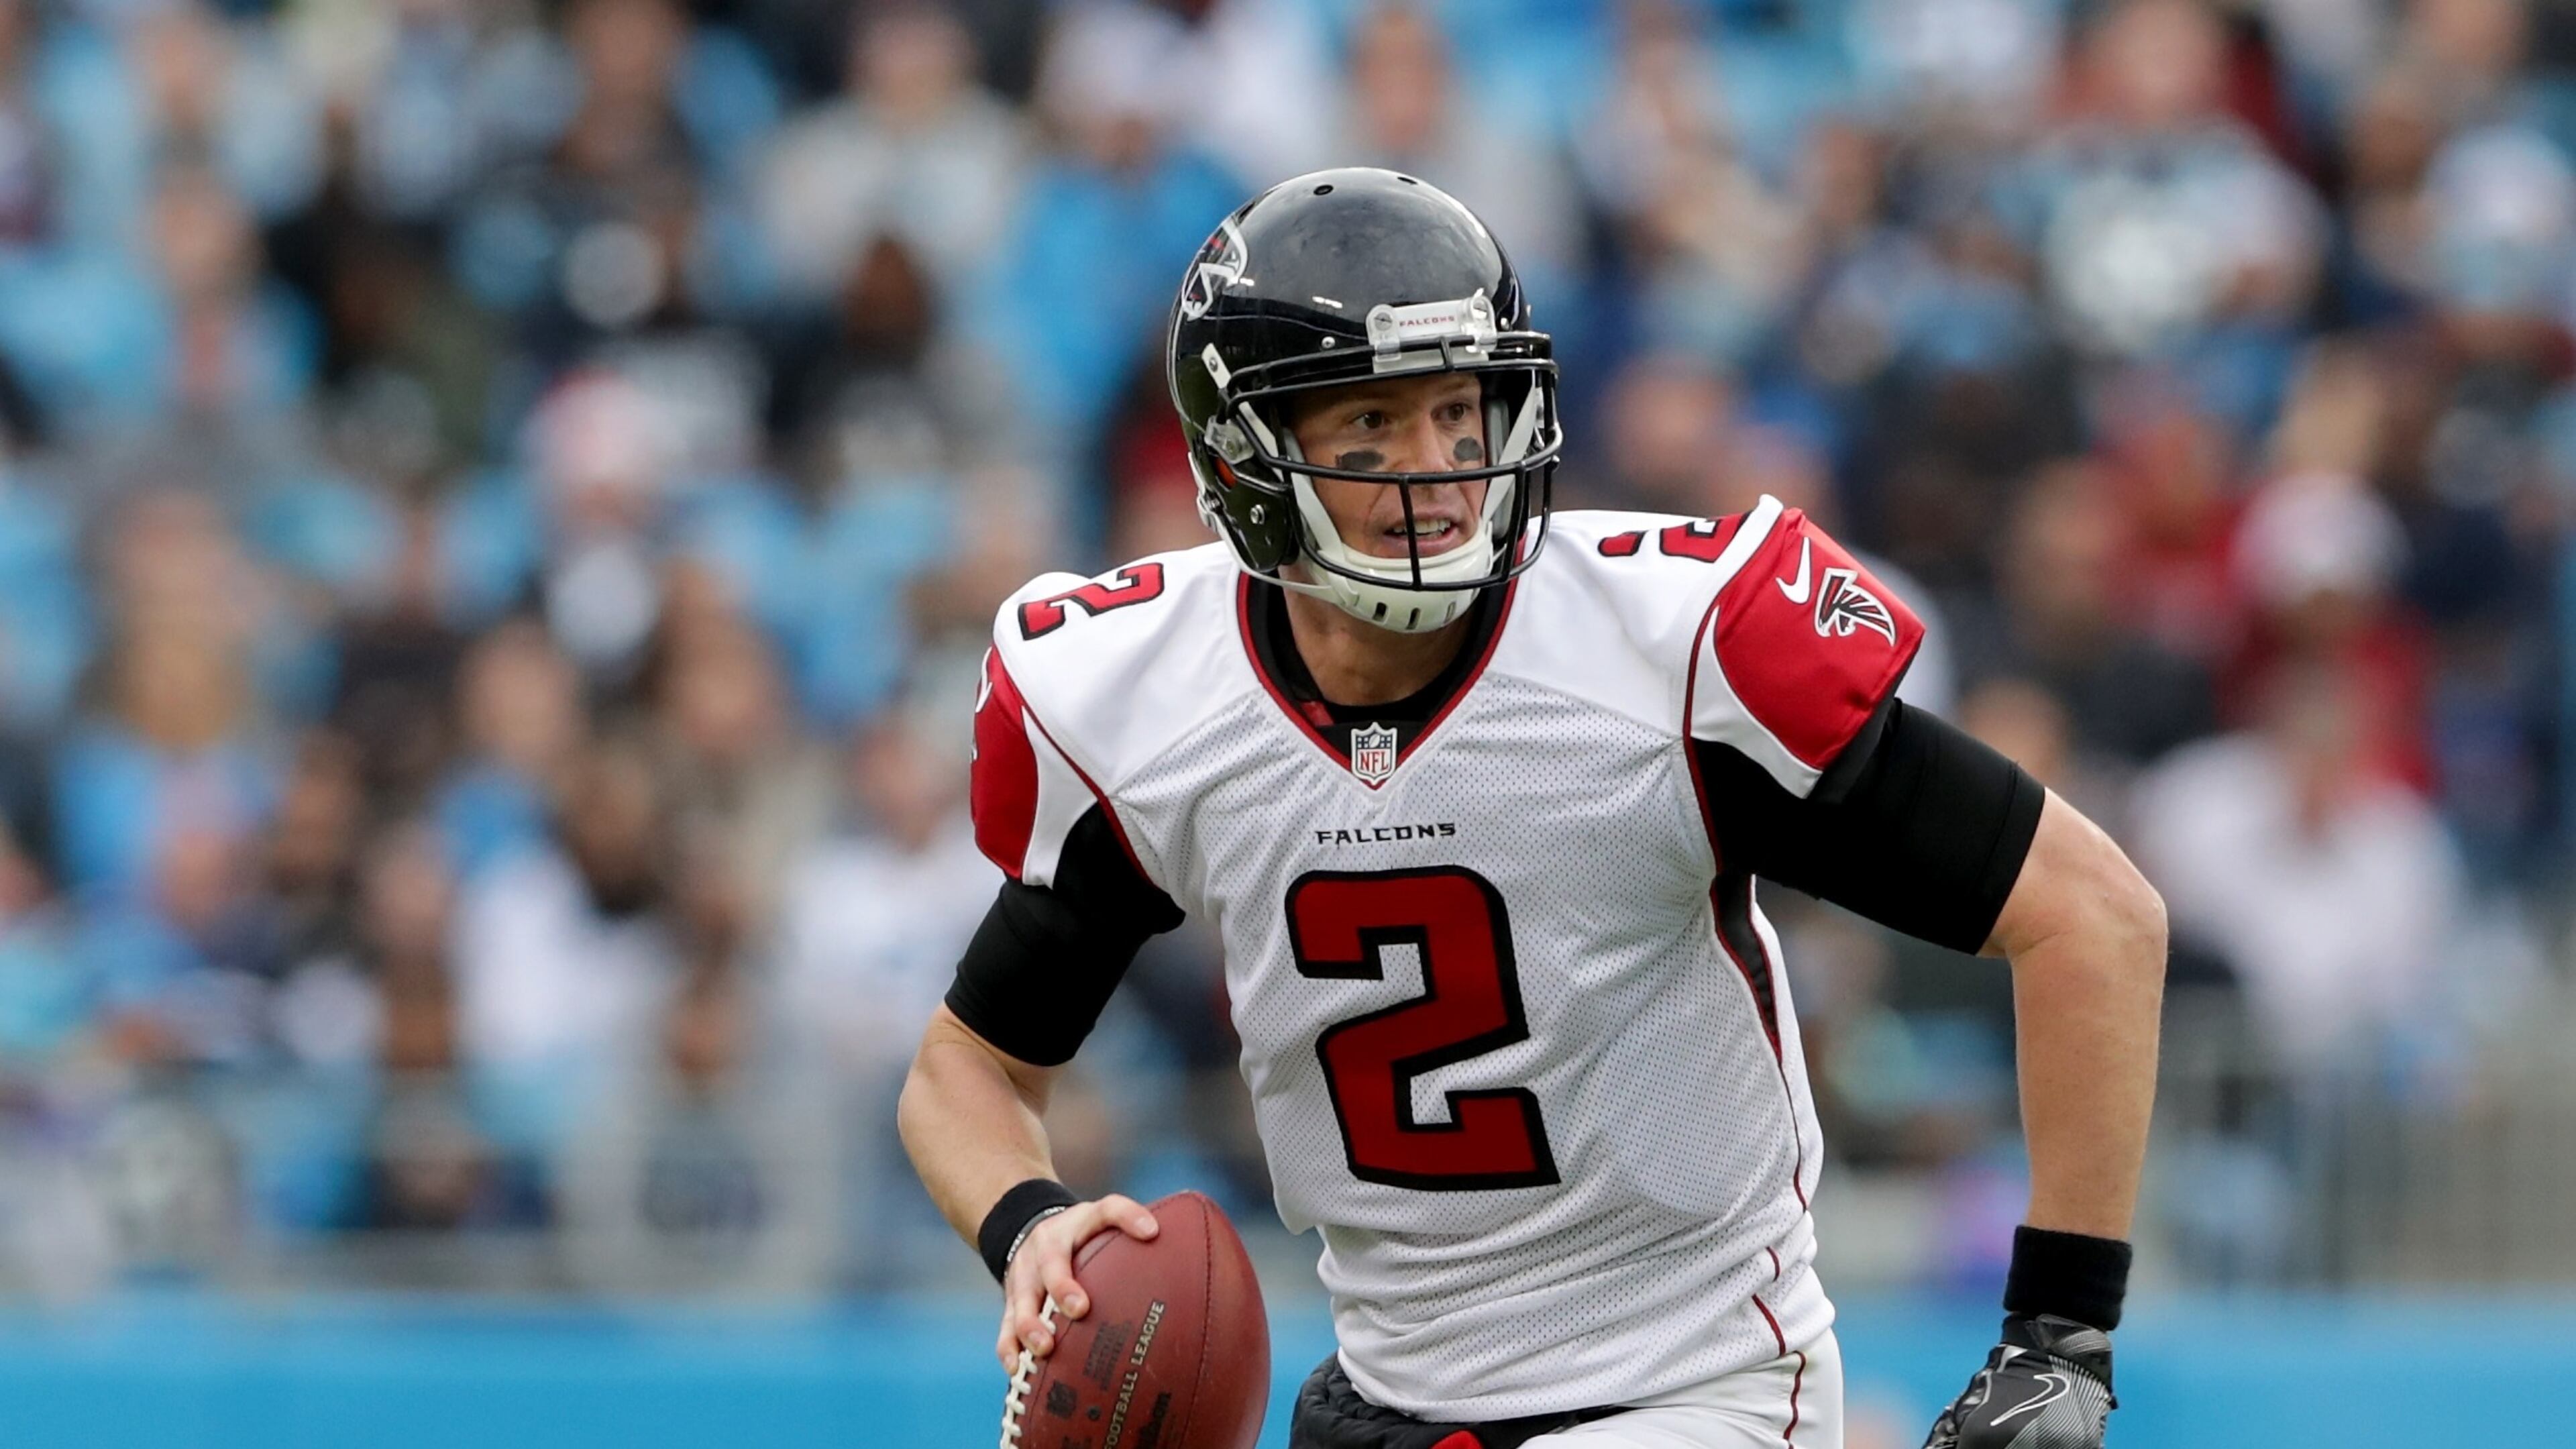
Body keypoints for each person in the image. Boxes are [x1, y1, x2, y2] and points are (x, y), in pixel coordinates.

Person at [898, 170, 2166, 1449]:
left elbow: (2094, 915)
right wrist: (1027, 1222)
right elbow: (968, 1067)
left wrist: (2059, 1340)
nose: (1440, 474)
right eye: (1372, 431)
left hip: (1690, 1394)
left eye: (1461, 412)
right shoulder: (1147, 701)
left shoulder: (1668, 654)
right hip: (1387, 1401)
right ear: (1246, 463)